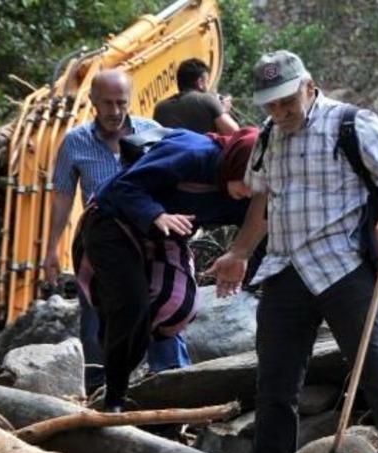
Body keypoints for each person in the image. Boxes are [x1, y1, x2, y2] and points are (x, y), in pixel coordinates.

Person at [204, 51, 378, 453]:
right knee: (275, 386)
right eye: (270, 105)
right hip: (284, 272)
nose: (279, 112)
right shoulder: (267, 137)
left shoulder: (350, 122)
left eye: (286, 101)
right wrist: (239, 253)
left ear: (308, 86)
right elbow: (262, 199)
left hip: (343, 267)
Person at [80, 126, 257, 412]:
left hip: (164, 236)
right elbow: (120, 187)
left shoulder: (246, 193)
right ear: (235, 162)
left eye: (256, 183)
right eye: (246, 180)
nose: (248, 190)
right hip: (113, 219)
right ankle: (114, 395)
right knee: (130, 306)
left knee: (178, 303)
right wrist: (156, 214)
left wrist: (242, 261)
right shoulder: (191, 155)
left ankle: (142, 372)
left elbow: (259, 228)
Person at [44, 69, 168, 391]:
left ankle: (158, 378)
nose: (114, 112)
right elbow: (63, 196)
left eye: (121, 103)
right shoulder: (75, 142)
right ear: (93, 102)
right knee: (96, 312)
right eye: (107, 104)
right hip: (99, 241)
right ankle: (99, 385)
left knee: (154, 306)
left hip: (147, 239)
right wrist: (52, 248)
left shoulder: (152, 133)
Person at [153, 58, 239, 135]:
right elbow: (235, 133)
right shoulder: (207, 99)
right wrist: (223, 111)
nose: (208, 87)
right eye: (207, 82)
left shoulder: (159, 108)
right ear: (200, 82)